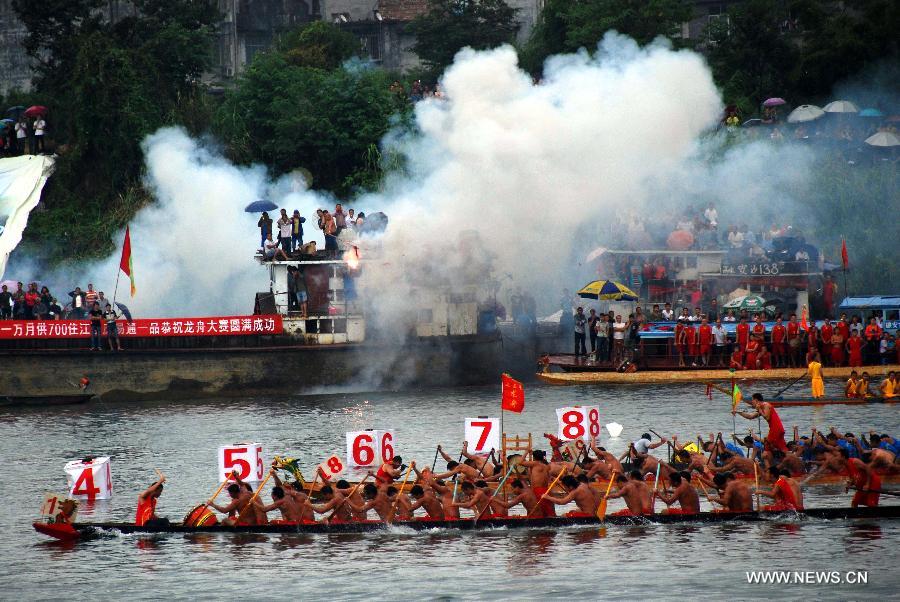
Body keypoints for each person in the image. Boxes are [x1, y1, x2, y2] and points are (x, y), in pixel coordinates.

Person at [520, 450, 554, 517]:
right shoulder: (546, 466)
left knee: (537, 512)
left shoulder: (535, 463)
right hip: (546, 490)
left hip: (538, 490)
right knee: (548, 513)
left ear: (534, 457)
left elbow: (520, 462)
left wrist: (526, 451)